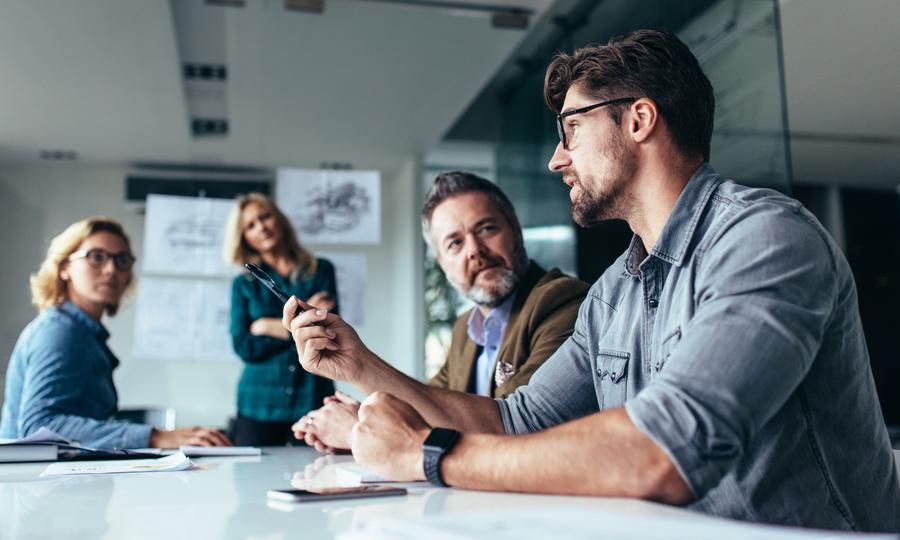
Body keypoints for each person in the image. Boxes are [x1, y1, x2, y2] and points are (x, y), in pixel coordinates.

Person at [281, 29, 900, 531]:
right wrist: (358, 365)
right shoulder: (614, 292)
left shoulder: (765, 238)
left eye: (571, 128)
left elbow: (663, 452)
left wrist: (425, 455)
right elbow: (514, 422)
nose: (557, 158)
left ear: (639, 120)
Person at [292, 172, 589, 452]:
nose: (474, 250)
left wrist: (359, 427)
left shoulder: (563, 302)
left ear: (515, 229)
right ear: (441, 262)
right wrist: (364, 416)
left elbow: (513, 427)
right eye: (455, 243)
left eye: (486, 229)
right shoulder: (466, 328)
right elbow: (428, 407)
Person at [0, 217, 231, 449]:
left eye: (122, 260)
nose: (111, 269)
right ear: (64, 268)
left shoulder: (85, 334)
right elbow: (39, 426)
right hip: (35, 483)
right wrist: (155, 437)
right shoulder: (60, 331)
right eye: (96, 257)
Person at [224, 192, 338, 446]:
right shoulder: (243, 285)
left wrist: (265, 326)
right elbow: (244, 346)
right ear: (244, 238)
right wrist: (299, 327)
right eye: (250, 225)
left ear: (279, 220)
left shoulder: (321, 271)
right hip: (258, 403)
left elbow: (326, 333)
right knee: (253, 482)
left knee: (316, 476)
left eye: (265, 217)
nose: (261, 227)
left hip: (311, 397)